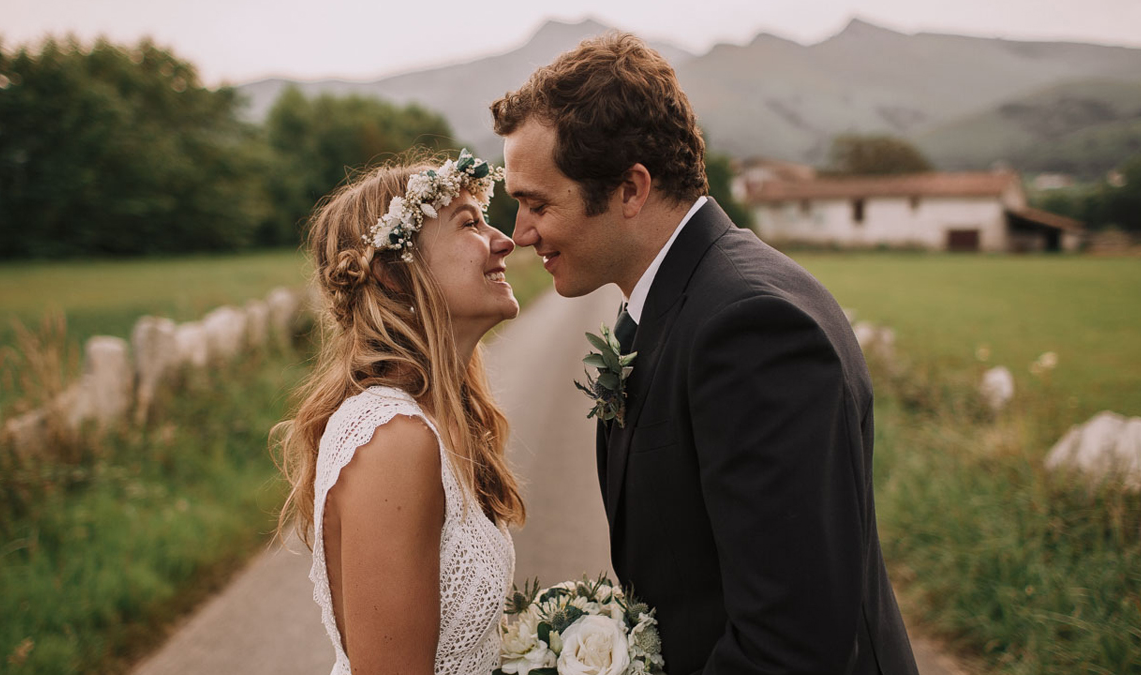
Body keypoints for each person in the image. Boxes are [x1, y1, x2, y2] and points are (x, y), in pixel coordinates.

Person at [492, 33, 920, 675]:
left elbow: (791, 647)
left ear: (631, 189)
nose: (520, 232)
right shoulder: (677, 302)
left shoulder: (753, 329)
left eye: (537, 203)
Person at [272, 150, 524, 675]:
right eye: (470, 224)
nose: (505, 240)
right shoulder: (392, 438)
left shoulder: (438, 423)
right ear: (393, 273)